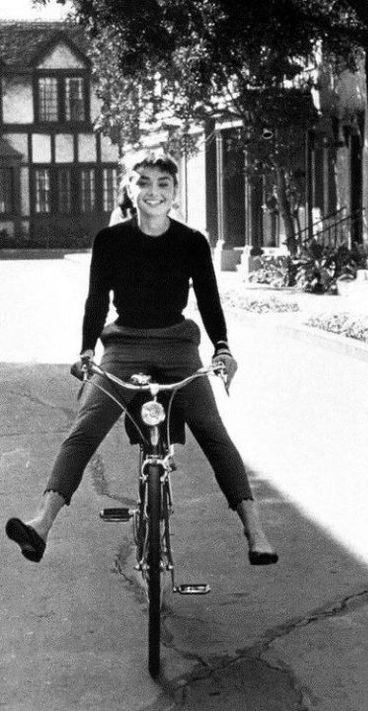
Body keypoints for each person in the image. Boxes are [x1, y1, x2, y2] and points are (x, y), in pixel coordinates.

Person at [6, 149, 278, 567]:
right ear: (129, 189)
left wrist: (222, 347)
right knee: (85, 427)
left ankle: (255, 532)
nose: (154, 192)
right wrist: (86, 350)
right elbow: (97, 300)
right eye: (144, 182)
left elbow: (208, 300)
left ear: (174, 193)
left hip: (178, 345)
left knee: (211, 429)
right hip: (123, 345)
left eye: (163, 184)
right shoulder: (110, 240)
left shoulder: (192, 242)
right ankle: (42, 523)